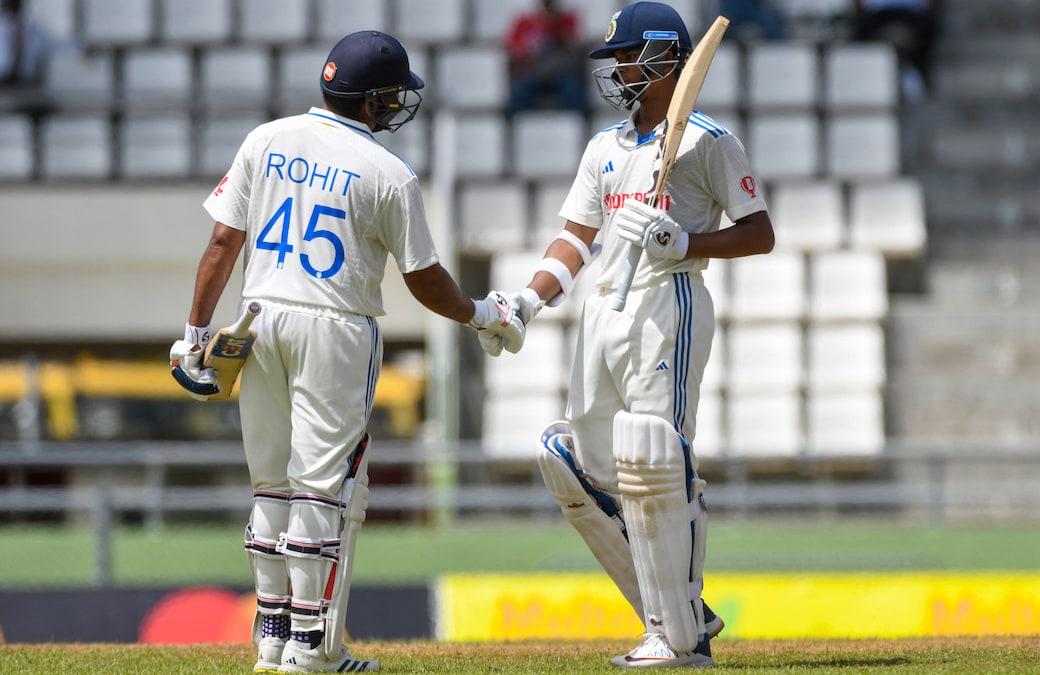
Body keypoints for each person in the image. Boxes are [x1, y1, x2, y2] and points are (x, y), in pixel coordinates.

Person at [168, 30, 524, 674]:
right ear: (372, 101)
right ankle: (311, 648)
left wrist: (195, 335)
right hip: (335, 327)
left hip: (258, 318)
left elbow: (222, 243)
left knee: (271, 486)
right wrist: (481, 315)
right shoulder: (389, 173)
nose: (398, 106)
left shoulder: (265, 139)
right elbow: (424, 280)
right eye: (393, 96)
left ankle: (271, 637)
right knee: (321, 490)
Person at [481, 2, 774, 668]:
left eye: (626, 58)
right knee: (569, 461)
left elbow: (760, 233)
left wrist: (686, 242)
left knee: (655, 458)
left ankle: (677, 634)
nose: (615, 71)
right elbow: (576, 239)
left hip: (666, 302)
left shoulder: (708, 141)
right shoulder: (604, 147)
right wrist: (527, 300)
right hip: (602, 314)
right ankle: (684, 612)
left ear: (665, 59)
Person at [504, 0, 588, 115]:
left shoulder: (567, 19)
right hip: (533, 73)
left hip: (561, 73)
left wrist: (556, 26)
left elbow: (574, 47)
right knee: (520, 92)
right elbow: (513, 49)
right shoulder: (525, 22)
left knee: (572, 89)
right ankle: (515, 123)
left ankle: (579, 122)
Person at [852, 0, 941, 100]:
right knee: (859, 28)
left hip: (912, 12)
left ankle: (920, 70)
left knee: (930, 25)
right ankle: (863, 76)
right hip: (878, 12)